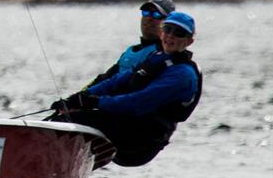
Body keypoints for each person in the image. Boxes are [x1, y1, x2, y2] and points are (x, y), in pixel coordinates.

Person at [51, 12, 202, 167]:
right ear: (161, 32)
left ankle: (42, 166)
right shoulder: (157, 58)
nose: (170, 36)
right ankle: (47, 170)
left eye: (178, 33)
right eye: (167, 29)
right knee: (64, 115)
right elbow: (117, 81)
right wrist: (78, 98)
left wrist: (95, 102)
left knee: (71, 121)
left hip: (143, 140)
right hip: (129, 124)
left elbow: (139, 101)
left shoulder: (183, 75)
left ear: (189, 41)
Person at [86, 0, 176, 87]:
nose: (149, 18)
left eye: (156, 14)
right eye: (146, 12)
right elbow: (104, 78)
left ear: (168, 23)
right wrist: (80, 95)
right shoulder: (130, 51)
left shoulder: (163, 56)